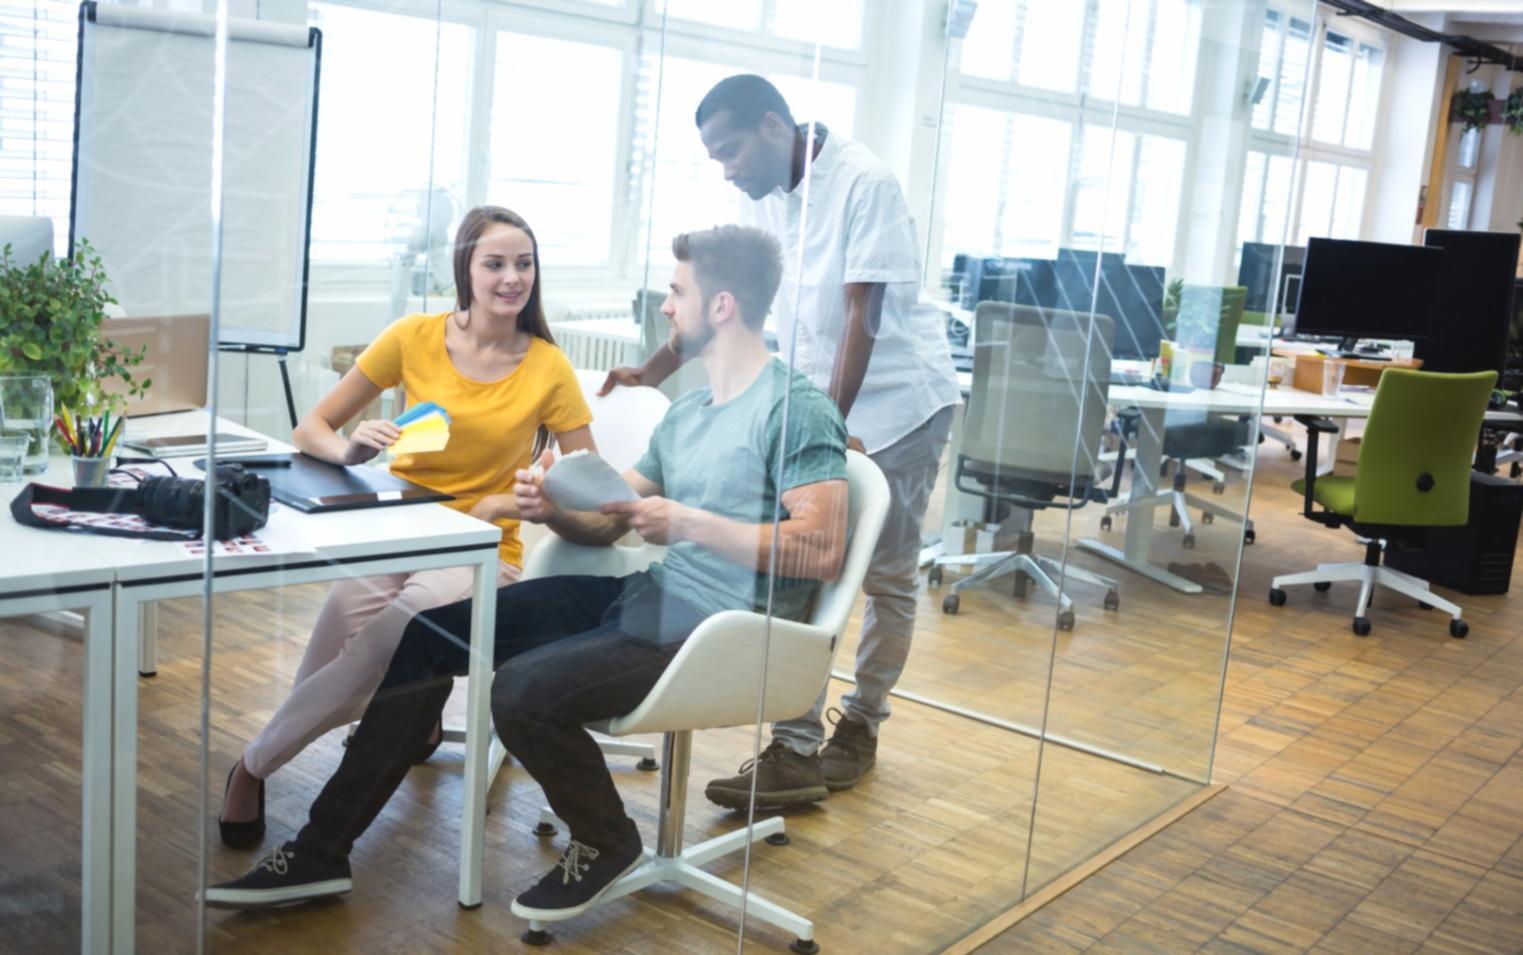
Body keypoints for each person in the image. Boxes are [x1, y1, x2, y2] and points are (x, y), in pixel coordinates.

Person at [203, 224, 849, 912]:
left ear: (720, 306)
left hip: (727, 627)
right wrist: (552, 506)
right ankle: (318, 854)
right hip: (655, 594)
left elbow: (819, 546)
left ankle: (606, 837)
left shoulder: (793, 406)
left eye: (676, 290)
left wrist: (687, 521)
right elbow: (608, 518)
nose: (665, 306)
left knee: (519, 690)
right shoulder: (689, 412)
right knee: (431, 634)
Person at [600, 74, 958, 807]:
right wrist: (654, 367)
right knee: (804, 569)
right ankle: (795, 748)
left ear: (773, 126)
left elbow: (862, 317)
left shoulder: (865, 183)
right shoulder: (759, 193)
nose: (724, 169)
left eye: (728, 149)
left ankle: (859, 725)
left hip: (897, 404)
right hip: (816, 406)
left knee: (883, 577)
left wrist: (821, 427)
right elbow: (729, 300)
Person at [216, 206, 596, 848]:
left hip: (481, 550)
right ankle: (411, 710)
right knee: (341, 614)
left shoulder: (547, 366)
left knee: (400, 626)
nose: (512, 278)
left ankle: (254, 765)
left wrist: (525, 501)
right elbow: (311, 428)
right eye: (495, 264)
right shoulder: (414, 336)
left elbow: (589, 485)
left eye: (524, 264)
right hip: (401, 529)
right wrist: (350, 450)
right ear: (465, 270)